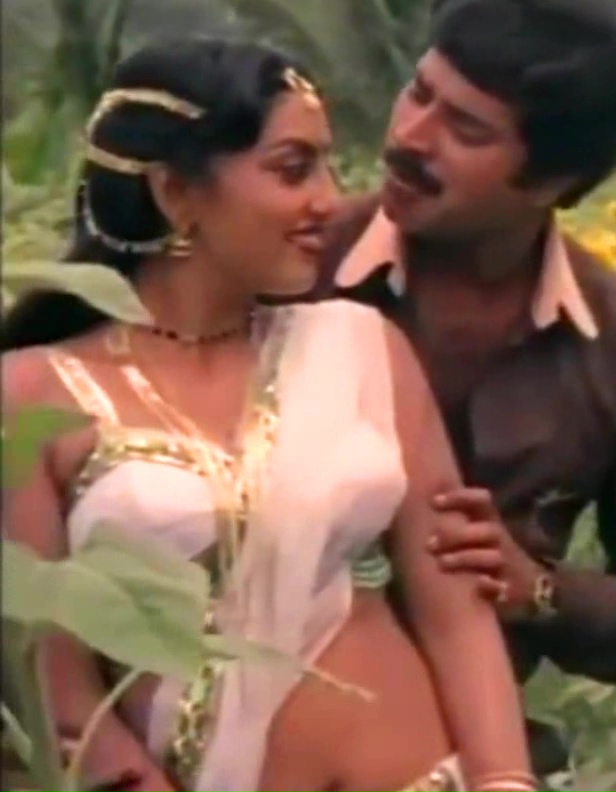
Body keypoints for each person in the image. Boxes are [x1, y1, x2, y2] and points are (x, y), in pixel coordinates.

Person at [1, 40, 538, 792]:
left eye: (327, 167)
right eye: (293, 170)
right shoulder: (32, 395)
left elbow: (454, 609)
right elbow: (55, 686)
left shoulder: (363, 350)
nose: (330, 200)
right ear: (176, 192)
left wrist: (506, 781)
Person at [309, 0, 616, 775]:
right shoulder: (290, 272)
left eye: (466, 129)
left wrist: (536, 591)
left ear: (556, 181)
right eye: (418, 92)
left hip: (477, 757)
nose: (410, 137)